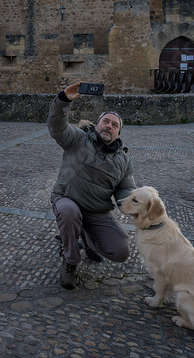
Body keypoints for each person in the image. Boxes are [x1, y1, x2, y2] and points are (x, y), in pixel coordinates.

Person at [47, 81, 135, 290]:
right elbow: (56, 126)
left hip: (97, 211)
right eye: (106, 121)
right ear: (97, 125)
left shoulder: (123, 160)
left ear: (118, 134)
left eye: (115, 125)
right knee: (69, 212)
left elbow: (125, 189)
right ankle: (70, 262)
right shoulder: (77, 139)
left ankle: (87, 237)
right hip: (68, 200)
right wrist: (63, 100)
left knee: (121, 250)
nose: (109, 126)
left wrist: (131, 201)